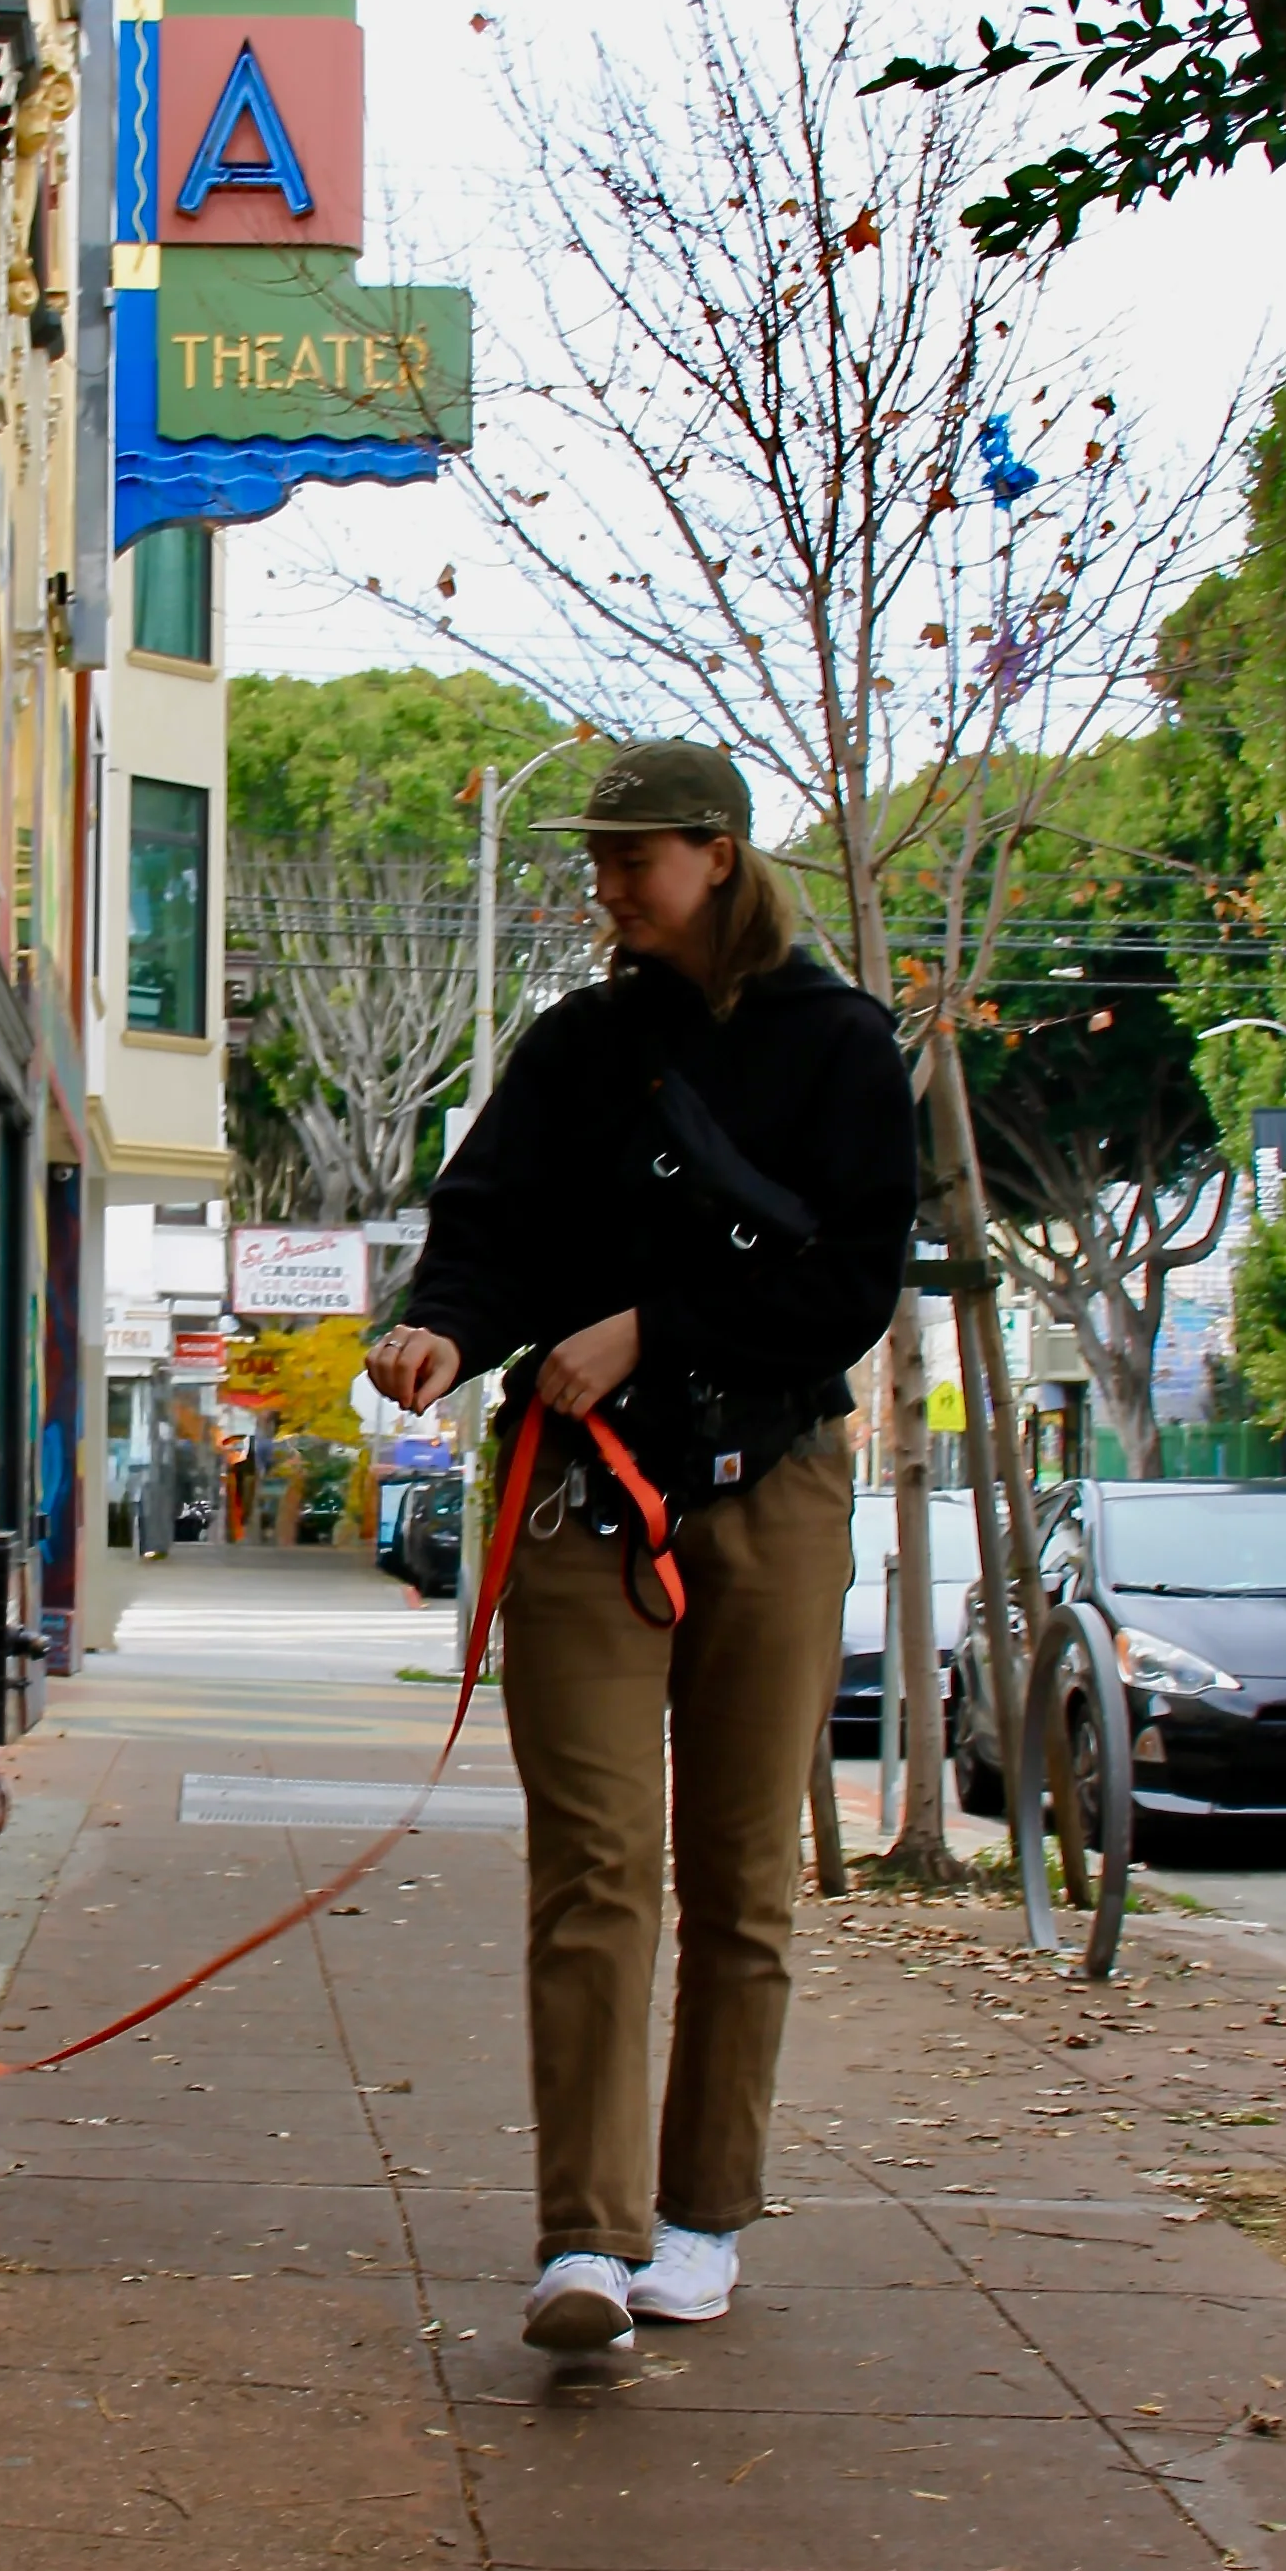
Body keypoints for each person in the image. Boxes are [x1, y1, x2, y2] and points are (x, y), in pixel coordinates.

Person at [365, 741, 916, 2355]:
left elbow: (854, 1287)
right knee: (596, 1866)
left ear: (722, 858)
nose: (605, 890)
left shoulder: (839, 1046)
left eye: (634, 862)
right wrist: (443, 1340)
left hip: (776, 1485)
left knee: (746, 1877)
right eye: (596, 862)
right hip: (580, 1499)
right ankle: (585, 2241)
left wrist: (651, 1331)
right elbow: (487, 1239)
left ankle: (701, 2220)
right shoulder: (577, 1049)